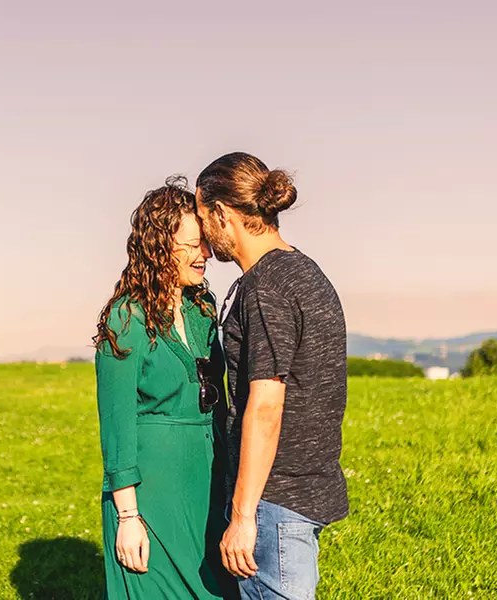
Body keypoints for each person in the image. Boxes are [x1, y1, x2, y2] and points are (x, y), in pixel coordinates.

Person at [194, 152, 349, 600]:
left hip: (274, 500)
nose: (203, 240)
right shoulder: (303, 269)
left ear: (222, 213)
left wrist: (243, 515)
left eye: (204, 218)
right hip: (305, 489)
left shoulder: (264, 287)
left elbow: (265, 405)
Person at [95, 175, 237, 599]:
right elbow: (117, 429)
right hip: (151, 495)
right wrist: (128, 517)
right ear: (160, 246)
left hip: (209, 481)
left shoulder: (203, 308)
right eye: (193, 244)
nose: (206, 254)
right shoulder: (126, 319)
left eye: (205, 243)